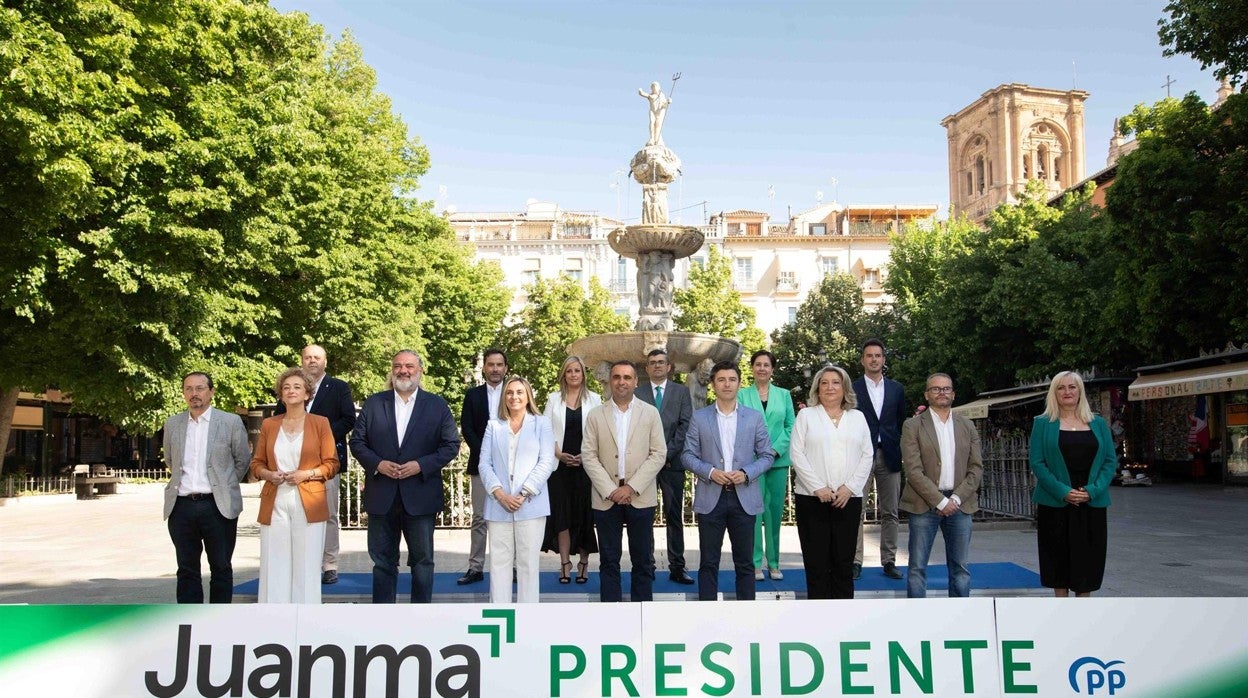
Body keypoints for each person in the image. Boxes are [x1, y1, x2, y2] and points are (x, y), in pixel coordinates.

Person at [350, 350, 461, 603]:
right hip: (381, 495)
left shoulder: (436, 405)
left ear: (420, 370)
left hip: (420, 495)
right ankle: (383, 617)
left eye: (409, 366)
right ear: (392, 370)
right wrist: (378, 463)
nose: (404, 371)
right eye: (398, 366)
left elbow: (451, 445)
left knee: (423, 562)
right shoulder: (374, 403)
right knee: (382, 563)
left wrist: (420, 465)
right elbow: (357, 442)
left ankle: (420, 617)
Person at [682, 361, 774, 600]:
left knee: (745, 564)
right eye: (721, 379)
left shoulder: (753, 418)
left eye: (732, 379)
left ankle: (746, 618)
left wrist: (746, 473)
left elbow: (767, 455)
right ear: (713, 384)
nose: (727, 384)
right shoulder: (700, 418)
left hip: (744, 498)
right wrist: (710, 472)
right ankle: (707, 615)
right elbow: (687, 455)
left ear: (739, 383)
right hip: (711, 498)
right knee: (708, 563)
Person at [251, 368, 339, 603]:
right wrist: (269, 474)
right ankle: (274, 618)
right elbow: (256, 464)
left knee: (307, 563)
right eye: (286, 387)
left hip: (309, 500)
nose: (291, 391)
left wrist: (306, 474)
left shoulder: (320, 423)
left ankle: (306, 617)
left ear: (307, 394)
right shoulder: (269, 424)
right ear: (281, 394)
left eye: (297, 387)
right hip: (275, 500)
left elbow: (331, 464)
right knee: (274, 562)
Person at [161, 371, 251, 603]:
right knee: (186, 569)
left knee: (221, 567)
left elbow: (242, 461)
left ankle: (219, 621)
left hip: (217, 505)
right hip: (181, 506)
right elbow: (171, 461)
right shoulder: (173, 424)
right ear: (183, 393)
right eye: (189, 389)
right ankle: (191, 621)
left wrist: (225, 485)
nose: (194, 394)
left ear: (211, 392)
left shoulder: (230, 422)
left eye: (200, 388)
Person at [582, 359, 667, 602]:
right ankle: (612, 613)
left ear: (636, 382)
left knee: (643, 559)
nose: (622, 382)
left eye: (627, 377)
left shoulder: (650, 413)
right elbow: (588, 455)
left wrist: (631, 487)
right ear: (610, 381)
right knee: (609, 560)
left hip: (640, 497)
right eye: (617, 377)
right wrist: (610, 490)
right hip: (606, 499)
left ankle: (642, 611)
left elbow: (658, 453)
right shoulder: (595, 415)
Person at [789, 365, 875, 599]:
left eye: (835, 382)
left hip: (848, 499)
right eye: (824, 382)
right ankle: (818, 621)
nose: (829, 387)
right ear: (817, 387)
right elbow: (797, 453)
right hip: (811, 499)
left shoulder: (857, 418)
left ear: (844, 387)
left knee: (843, 563)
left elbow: (868, 454)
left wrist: (849, 488)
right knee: (816, 563)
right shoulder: (806, 415)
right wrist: (818, 487)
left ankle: (843, 619)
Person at [1029, 371, 1117, 597]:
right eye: (1061, 387)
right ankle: (1061, 608)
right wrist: (1063, 491)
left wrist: (1092, 491)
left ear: (1080, 391)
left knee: (1088, 561)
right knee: (1058, 559)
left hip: (1091, 503)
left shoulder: (1097, 423)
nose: (1067, 392)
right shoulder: (1042, 423)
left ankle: (1083, 613)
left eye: (1072, 387)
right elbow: (1037, 462)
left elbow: (1109, 460)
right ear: (1054, 393)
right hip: (1055, 503)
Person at [275, 344, 355, 586]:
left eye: (317, 358)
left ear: (325, 362)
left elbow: (348, 419)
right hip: (291, 463)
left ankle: (329, 564)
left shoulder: (339, 387)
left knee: (328, 514)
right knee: (294, 513)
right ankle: (299, 562)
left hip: (325, 462)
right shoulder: (290, 387)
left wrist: (320, 436)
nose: (312, 361)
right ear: (301, 360)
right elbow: (279, 419)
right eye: (307, 357)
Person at [899, 373, 984, 598]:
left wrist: (954, 499)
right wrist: (940, 500)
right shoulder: (912, 426)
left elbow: (976, 468)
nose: (941, 392)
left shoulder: (967, 425)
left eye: (946, 389)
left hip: (960, 504)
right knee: (917, 568)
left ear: (953, 394)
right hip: (924, 504)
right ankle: (917, 622)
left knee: (960, 569)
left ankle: (959, 618)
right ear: (927, 395)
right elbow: (913, 470)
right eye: (935, 389)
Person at [479, 376, 556, 603]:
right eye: (510, 392)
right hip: (498, 504)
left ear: (528, 396)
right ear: (505, 397)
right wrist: (500, 494)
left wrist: (523, 493)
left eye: (520, 392)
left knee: (528, 565)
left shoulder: (541, 424)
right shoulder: (493, 425)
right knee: (499, 564)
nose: (514, 396)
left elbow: (546, 461)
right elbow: (484, 463)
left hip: (531, 505)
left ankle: (528, 620)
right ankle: (498, 618)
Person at [634, 348, 694, 585]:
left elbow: (685, 424)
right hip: (644, 465)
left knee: (674, 517)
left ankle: (677, 567)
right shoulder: (637, 392)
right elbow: (634, 427)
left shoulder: (682, 392)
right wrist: (652, 457)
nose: (657, 366)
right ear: (647, 368)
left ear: (669, 367)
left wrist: (666, 453)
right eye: (652, 363)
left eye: (661, 362)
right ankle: (646, 565)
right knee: (644, 516)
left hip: (672, 463)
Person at [541, 356, 601, 584]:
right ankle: (565, 563)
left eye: (577, 370)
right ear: (563, 375)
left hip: (587, 466)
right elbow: (545, 430)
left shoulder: (595, 399)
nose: (574, 374)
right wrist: (558, 454)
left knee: (585, 515)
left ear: (583, 374)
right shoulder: (553, 399)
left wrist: (585, 457)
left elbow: (599, 433)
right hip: (560, 467)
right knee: (562, 517)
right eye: (569, 371)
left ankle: (584, 563)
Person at [737, 350, 796, 582]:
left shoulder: (784, 395)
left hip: (778, 461)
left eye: (766, 365)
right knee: (754, 513)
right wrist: (759, 452)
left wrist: (774, 450)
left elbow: (791, 426)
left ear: (772, 369)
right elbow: (740, 424)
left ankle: (774, 563)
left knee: (773, 514)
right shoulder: (742, 395)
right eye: (758, 364)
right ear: (752, 368)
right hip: (752, 463)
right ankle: (754, 563)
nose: (762, 368)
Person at [852, 338, 908, 581]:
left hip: (890, 454)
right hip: (860, 456)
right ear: (863, 360)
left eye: (878, 355)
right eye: (869, 355)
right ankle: (855, 560)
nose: (874, 359)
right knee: (856, 510)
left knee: (890, 512)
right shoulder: (852, 388)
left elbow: (900, 420)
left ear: (883, 359)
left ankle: (889, 560)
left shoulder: (896, 389)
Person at [457, 348, 509, 586]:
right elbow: (467, 427)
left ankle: (513, 566)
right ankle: (475, 567)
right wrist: (486, 455)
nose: (495, 369)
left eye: (499, 364)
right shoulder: (473, 395)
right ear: (484, 367)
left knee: (510, 518)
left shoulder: (515, 392)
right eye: (491, 364)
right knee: (479, 518)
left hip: (511, 466)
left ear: (505, 368)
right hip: (480, 465)